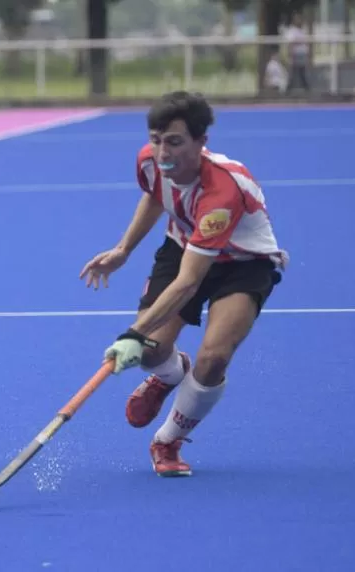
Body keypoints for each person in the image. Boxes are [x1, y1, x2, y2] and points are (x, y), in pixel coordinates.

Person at [79, 91, 288, 478]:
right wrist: (124, 250)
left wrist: (133, 332)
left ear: (201, 142)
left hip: (243, 262)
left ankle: (168, 439)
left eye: (174, 141)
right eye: (156, 139)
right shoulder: (150, 161)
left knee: (214, 357)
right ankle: (171, 374)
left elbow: (189, 282)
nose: (162, 152)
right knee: (151, 353)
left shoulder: (222, 191)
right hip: (184, 245)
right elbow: (156, 196)